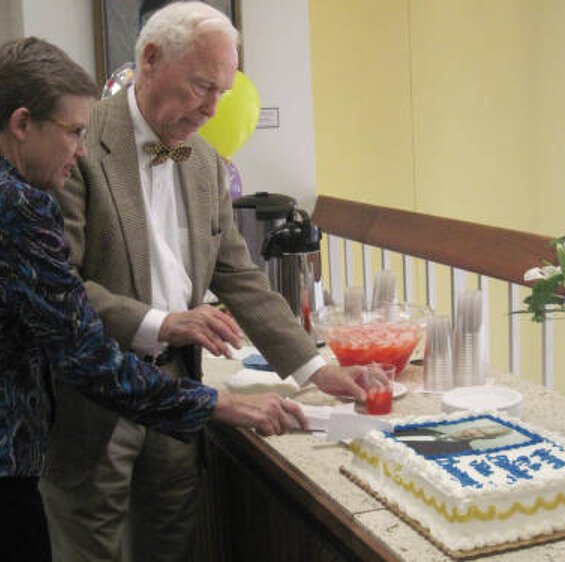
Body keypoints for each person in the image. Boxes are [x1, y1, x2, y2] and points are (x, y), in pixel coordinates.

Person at [0, 36, 309, 562]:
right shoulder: (16, 205)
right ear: (20, 124)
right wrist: (221, 404)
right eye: (74, 132)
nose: (80, 148)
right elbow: (88, 357)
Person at [38, 2, 374, 561]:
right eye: (201, 87)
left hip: (179, 391)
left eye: (223, 90)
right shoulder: (78, 142)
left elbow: (240, 273)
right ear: (150, 60)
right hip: (96, 400)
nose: (213, 108)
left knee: (169, 546)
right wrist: (161, 322)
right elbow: (61, 286)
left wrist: (316, 368)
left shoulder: (206, 164)